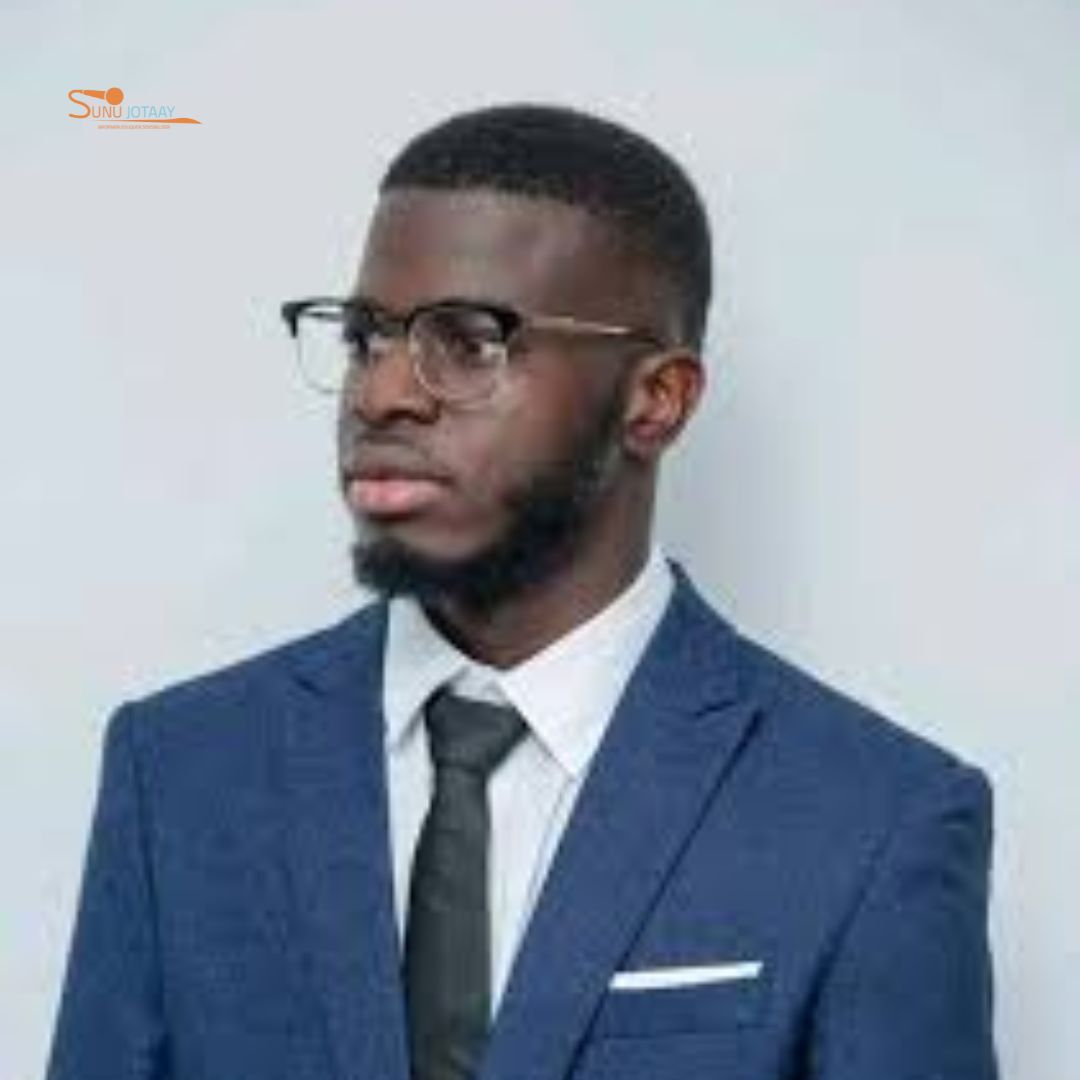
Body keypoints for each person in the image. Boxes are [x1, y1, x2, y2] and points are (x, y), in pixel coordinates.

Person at [47, 104, 997, 1080]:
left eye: (469, 342)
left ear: (657, 400)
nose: (380, 394)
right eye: (366, 338)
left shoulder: (873, 817)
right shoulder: (181, 772)